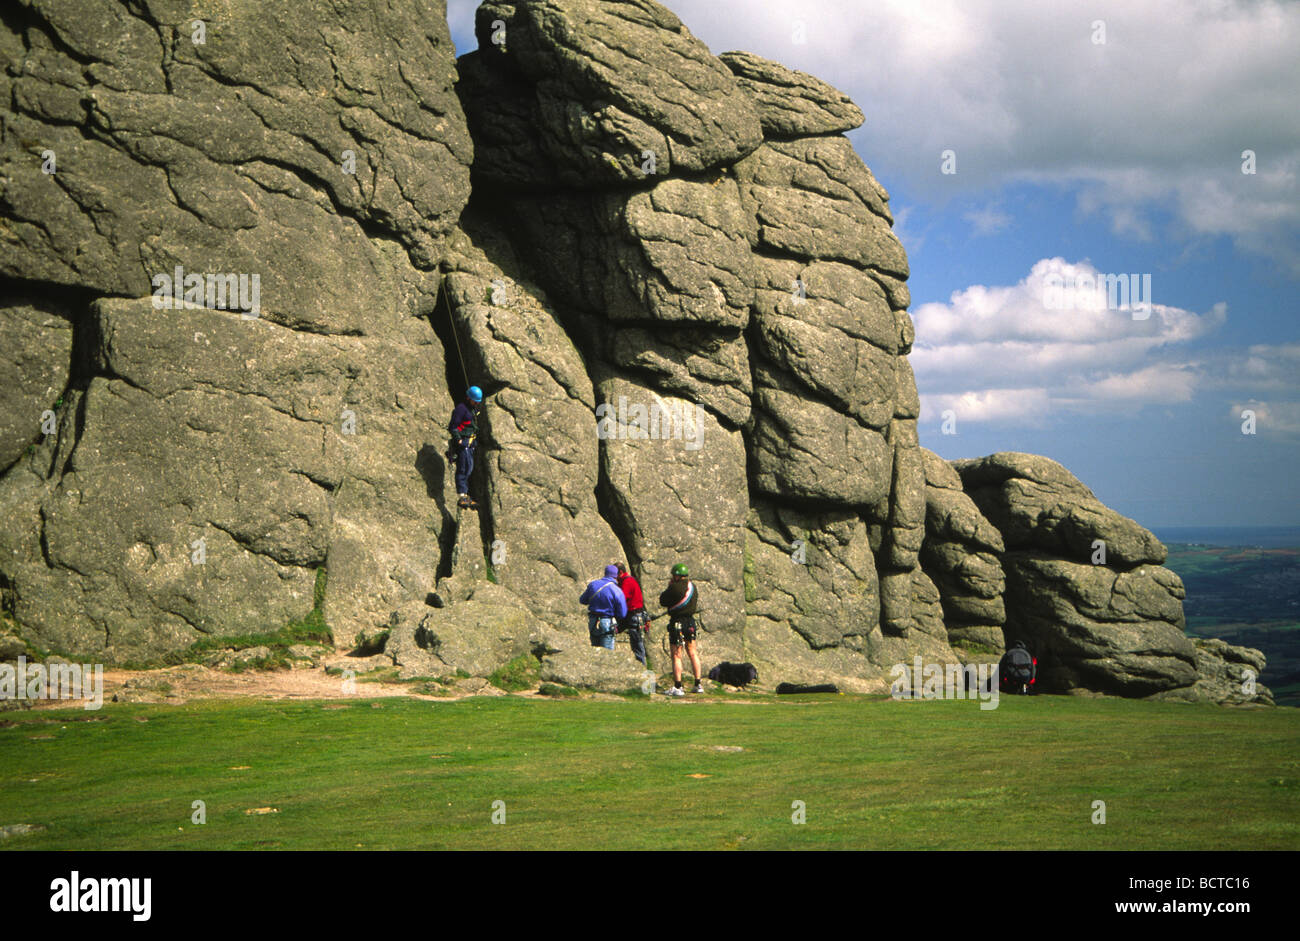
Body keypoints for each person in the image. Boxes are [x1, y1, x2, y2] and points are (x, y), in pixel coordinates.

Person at [658, 563, 703, 696]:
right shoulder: (692, 587)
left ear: (677, 576)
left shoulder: (675, 587)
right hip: (690, 622)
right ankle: (698, 684)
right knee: (693, 652)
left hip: (677, 622)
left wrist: (670, 586)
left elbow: (663, 600)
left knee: (677, 655)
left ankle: (678, 686)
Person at [448, 386, 483, 509]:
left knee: (469, 468)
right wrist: (459, 440)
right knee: (463, 468)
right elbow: (453, 426)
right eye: (475, 401)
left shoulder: (471, 409)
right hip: (463, 443)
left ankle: (465, 494)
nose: (477, 403)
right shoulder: (461, 409)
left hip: (470, 443)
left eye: (478, 402)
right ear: (469, 398)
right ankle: (462, 495)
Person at [579, 564, 627, 650]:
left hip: (593, 623)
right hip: (608, 623)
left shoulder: (593, 585)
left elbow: (582, 600)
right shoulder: (617, 590)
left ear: (605, 573)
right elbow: (622, 613)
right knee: (607, 655)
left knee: (595, 652)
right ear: (616, 575)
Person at [614, 562, 649, 666]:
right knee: (636, 645)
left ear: (620, 572)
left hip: (634, 615)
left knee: (637, 646)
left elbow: (622, 598)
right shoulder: (627, 580)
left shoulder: (627, 581)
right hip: (633, 615)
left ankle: (643, 670)